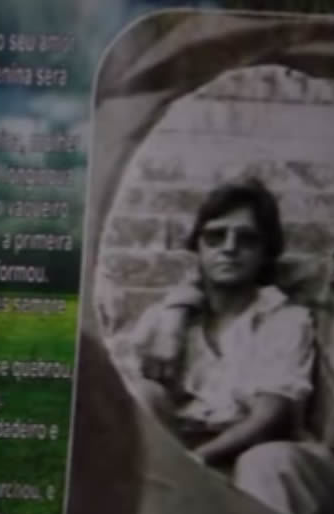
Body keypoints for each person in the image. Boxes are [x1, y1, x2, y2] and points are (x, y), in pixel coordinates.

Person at [142, 153, 334, 514]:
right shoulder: (318, 279)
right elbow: (225, 269)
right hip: (329, 462)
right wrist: (173, 320)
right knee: (267, 462)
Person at [126, 179, 313, 468]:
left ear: (266, 252)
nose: (229, 248)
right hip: (168, 450)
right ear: (198, 247)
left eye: (246, 239)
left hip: (241, 456)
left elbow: (270, 415)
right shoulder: (166, 317)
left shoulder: (285, 321)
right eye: (215, 236)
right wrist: (173, 318)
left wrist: (198, 460)